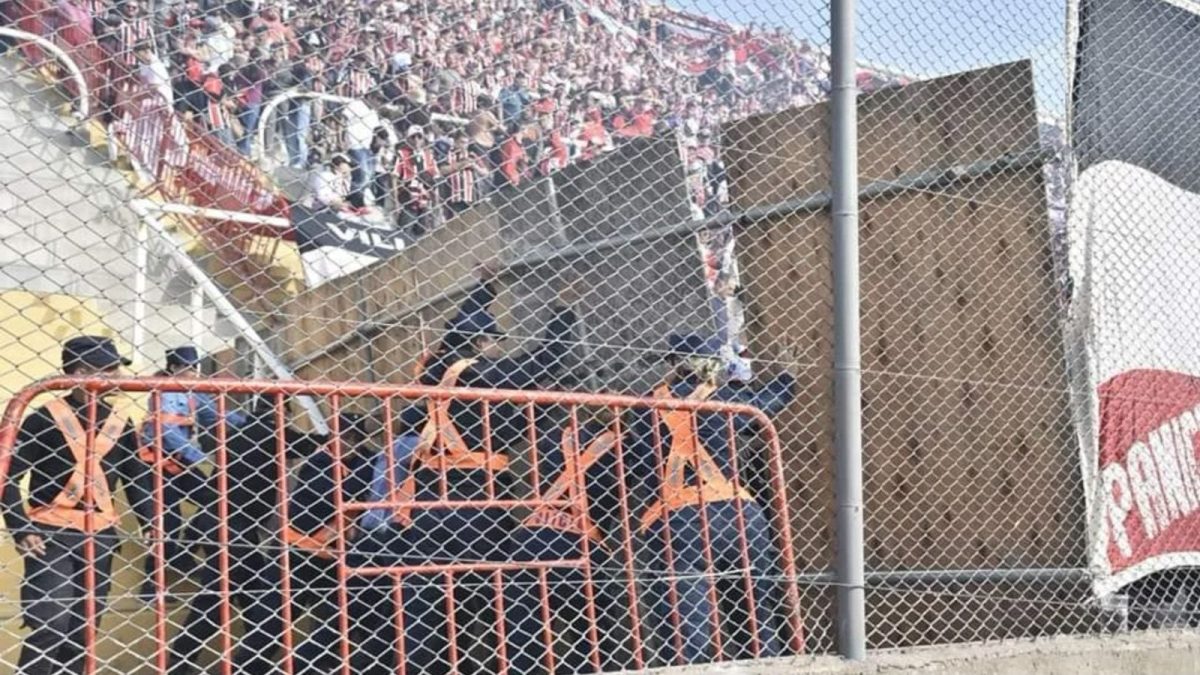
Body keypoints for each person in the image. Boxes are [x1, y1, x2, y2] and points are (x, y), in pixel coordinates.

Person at [363, 264, 579, 674]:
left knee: (433, 602)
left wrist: (484, 288)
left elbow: (452, 333)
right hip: (469, 501)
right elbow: (537, 363)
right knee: (505, 592)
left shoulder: (436, 371)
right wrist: (563, 316)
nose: (494, 348)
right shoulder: (477, 374)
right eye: (490, 341)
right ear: (479, 343)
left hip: (433, 499)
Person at [629, 333, 796, 666]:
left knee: (685, 635)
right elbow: (770, 401)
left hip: (679, 523)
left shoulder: (643, 409)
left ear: (674, 364)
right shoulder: (725, 398)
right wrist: (787, 374)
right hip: (740, 517)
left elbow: (636, 461)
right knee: (756, 620)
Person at [2, 336, 153, 674]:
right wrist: (21, 528)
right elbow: (7, 477)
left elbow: (136, 478)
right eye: (109, 369)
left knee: (84, 632)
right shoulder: (43, 418)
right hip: (49, 535)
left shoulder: (119, 421)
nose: (117, 377)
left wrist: (152, 521)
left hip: (99, 535)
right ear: (82, 372)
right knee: (50, 623)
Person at [167, 395, 329, 674]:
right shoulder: (269, 432)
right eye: (287, 416)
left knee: (248, 593)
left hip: (224, 523)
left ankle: (245, 658)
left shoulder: (240, 432)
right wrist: (332, 435)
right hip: (234, 526)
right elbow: (306, 444)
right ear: (281, 413)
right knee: (224, 595)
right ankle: (188, 660)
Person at [503, 406, 635, 675]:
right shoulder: (625, 449)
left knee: (523, 631)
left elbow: (534, 476)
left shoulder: (554, 437)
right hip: (580, 545)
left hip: (530, 538)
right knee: (594, 630)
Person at [134, 345, 245, 601]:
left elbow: (218, 416)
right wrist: (200, 458)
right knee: (167, 522)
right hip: (155, 466)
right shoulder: (164, 392)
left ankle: (182, 553)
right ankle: (151, 585)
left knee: (215, 500)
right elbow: (166, 432)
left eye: (196, 368)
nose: (193, 373)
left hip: (179, 464)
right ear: (173, 368)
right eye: (187, 368)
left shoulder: (192, 392)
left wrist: (253, 422)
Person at [286, 412, 380, 674]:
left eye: (353, 438)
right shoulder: (319, 463)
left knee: (347, 613)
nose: (346, 444)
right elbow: (327, 497)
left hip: (338, 553)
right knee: (279, 619)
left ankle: (319, 662)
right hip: (302, 551)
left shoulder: (367, 461)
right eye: (342, 437)